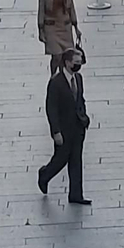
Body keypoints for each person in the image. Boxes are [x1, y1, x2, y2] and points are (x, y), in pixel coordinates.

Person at [37, 48, 91, 206]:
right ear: (67, 63)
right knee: (60, 160)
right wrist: (56, 132)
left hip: (78, 127)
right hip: (64, 129)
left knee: (76, 161)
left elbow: (80, 99)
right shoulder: (56, 82)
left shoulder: (78, 78)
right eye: (76, 62)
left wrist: (84, 117)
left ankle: (76, 194)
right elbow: (51, 109)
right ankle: (45, 174)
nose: (79, 65)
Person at [37, 0, 80, 75]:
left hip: (65, 27)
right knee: (56, 56)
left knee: (66, 56)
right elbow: (41, 10)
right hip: (51, 27)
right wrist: (41, 30)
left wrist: (76, 27)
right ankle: (53, 75)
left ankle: (63, 76)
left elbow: (72, 8)